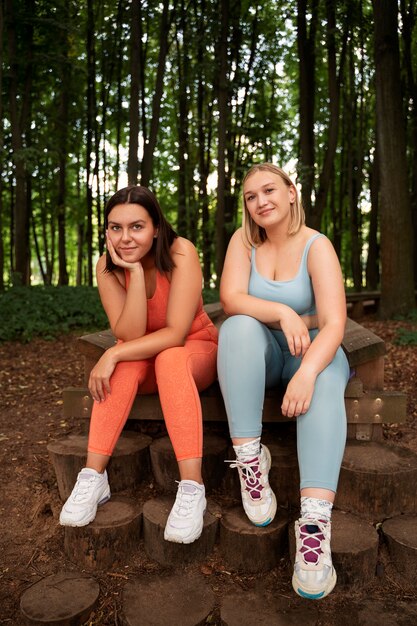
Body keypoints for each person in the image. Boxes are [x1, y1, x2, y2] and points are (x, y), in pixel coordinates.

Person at [217, 163, 349, 599]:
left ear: (291, 193)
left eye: (269, 190)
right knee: (236, 326)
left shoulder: (317, 245)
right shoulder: (244, 243)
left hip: (312, 351)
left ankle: (314, 529)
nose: (261, 202)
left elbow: (333, 323)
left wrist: (308, 372)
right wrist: (283, 311)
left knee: (327, 376)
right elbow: (231, 299)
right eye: (251, 197)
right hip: (262, 352)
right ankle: (251, 463)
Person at [60, 185, 218, 545]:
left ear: (157, 227)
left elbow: (176, 333)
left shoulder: (181, 252)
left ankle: (193, 487)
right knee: (126, 366)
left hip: (194, 346)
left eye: (136, 226)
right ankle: (92, 476)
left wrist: (112, 352)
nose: (125, 236)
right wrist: (130, 271)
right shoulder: (107, 265)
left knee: (167, 359)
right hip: (144, 354)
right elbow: (129, 333)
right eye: (115, 227)